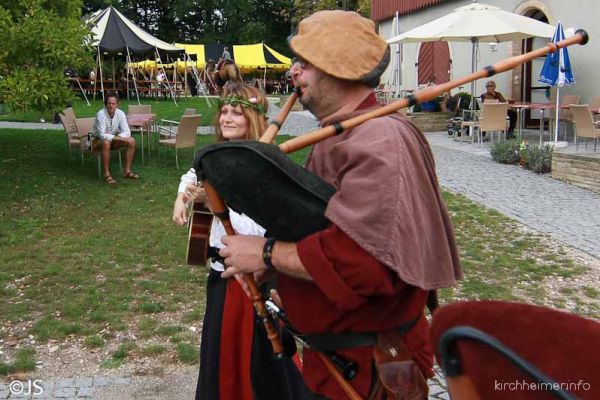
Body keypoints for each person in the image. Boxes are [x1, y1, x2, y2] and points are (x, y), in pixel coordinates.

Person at [216, 10, 463, 400]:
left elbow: (365, 263)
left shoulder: (380, 140)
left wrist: (266, 254)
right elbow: (322, 229)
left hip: (370, 370)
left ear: (336, 67)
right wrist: (283, 276)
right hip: (338, 362)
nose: (293, 74)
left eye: (303, 64)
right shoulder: (345, 133)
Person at [172, 83, 311, 400]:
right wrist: (182, 198)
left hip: (253, 273)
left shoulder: (266, 161)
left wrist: (218, 200)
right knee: (223, 348)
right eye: (224, 111)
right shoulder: (214, 157)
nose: (228, 118)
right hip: (222, 276)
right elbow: (192, 175)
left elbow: (265, 219)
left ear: (252, 117)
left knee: (260, 354)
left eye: (237, 112)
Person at [92, 94, 139, 184]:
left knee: (131, 141)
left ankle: (127, 171)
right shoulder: (100, 114)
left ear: (117, 104)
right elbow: (102, 135)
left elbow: (127, 132)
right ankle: (107, 174)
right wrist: (120, 138)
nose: (111, 105)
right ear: (105, 104)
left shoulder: (120, 113)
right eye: (109, 103)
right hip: (96, 141)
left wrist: (119, 138)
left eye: (113, 103)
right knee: (106, 142)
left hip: (113, 139)